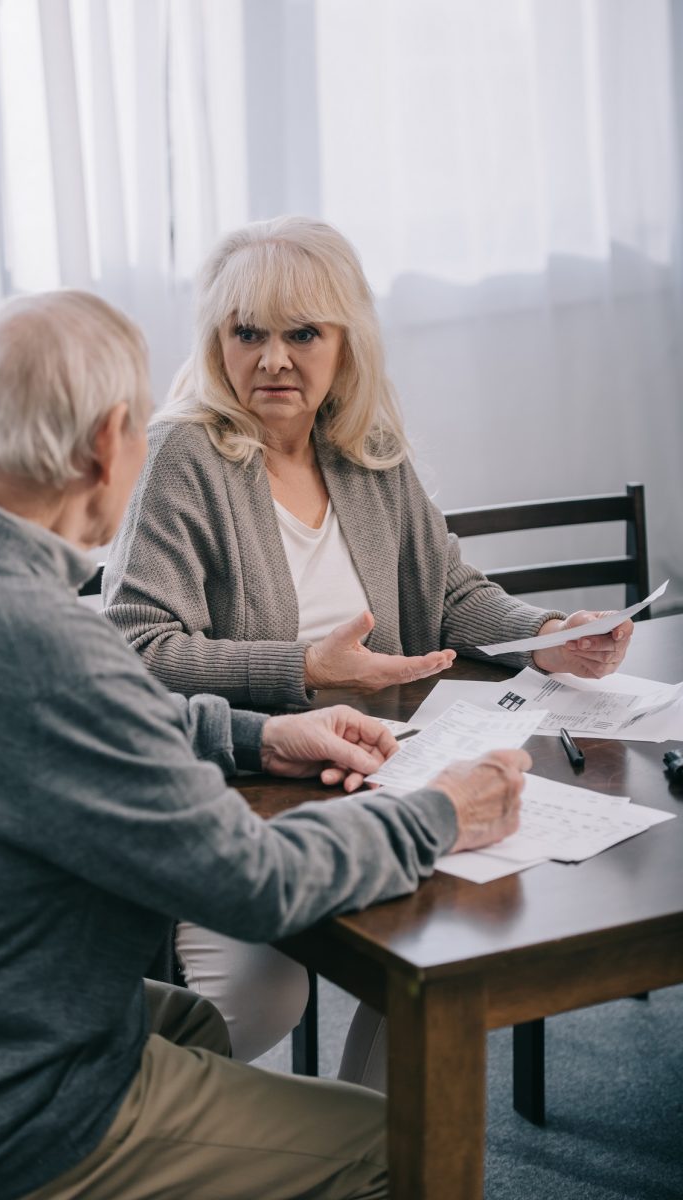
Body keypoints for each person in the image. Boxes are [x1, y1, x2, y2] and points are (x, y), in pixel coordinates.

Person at [0, 289, 531, 1200]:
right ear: (110, 441)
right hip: (8, 1108)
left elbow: (93, 724)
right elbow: (254, 882)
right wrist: (439, 813)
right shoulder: (40, 639)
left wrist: (266, 737)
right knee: (403, 1140)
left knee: (195, 1024)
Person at [102, 215, 634, 1078]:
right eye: (249, 334)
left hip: (377, 764)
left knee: (447, 935)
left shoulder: (368, 450)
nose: (274, 359)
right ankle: (132, 1120)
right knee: (262, 991)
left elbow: (451, 594)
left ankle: (368, 1149)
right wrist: (306, 668)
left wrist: (544, 637)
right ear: (217, 342)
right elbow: (135, 652)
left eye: (302, 334)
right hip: (236, 785)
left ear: (345, 344)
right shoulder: (184, 454)